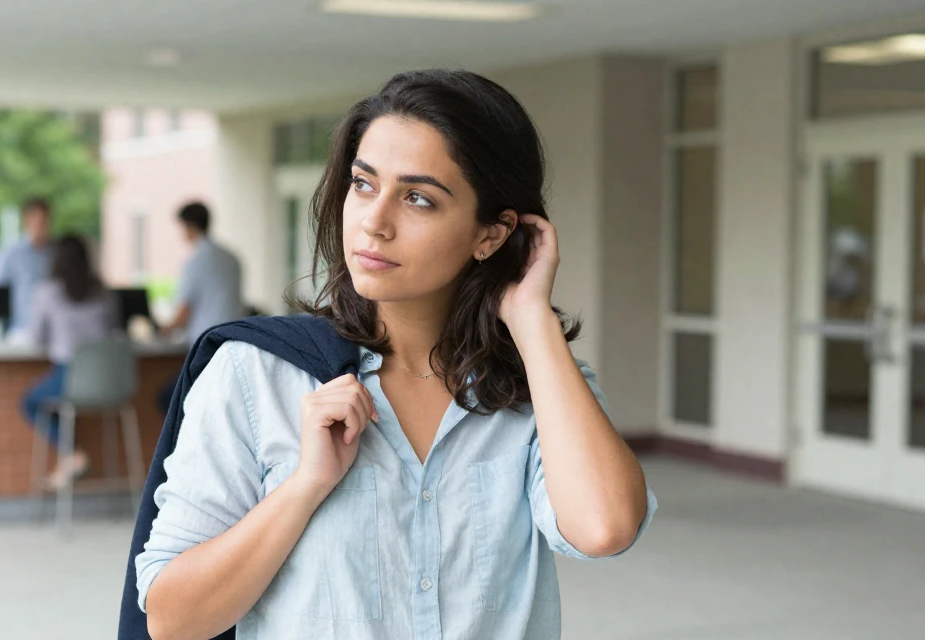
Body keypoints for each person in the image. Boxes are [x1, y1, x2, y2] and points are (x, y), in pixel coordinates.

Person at [134, 70, 656, 639]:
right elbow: (171, 619)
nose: (374, 223)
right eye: (363, 184)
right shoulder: (256, 373)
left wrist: (531, 318)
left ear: (492, 233)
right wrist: (305, 485)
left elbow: (604, 528)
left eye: (417, 198)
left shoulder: (542, 389)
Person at [20, 234, 119, 490]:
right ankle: (69, 459)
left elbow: (36, 338)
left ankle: (73, 453)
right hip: (111, 382)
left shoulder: (47, 291)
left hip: (70, 377)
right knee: (59, 404)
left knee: (30, 402)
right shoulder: (103, 291)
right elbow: (113, 330)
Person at [159, 202, 244, 344]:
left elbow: (184, 310)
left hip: (206, 341)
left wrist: (164, 330)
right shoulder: (231, 258)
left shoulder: (197, 261)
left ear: (190, 226)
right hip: (234, 338)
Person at [0, 197, 54, 334]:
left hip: (53, 330)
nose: (41, 226)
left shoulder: (57, 253)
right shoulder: (10, 253)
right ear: (26, 220)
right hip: (22, 329)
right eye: (37, 221)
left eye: (44, 221)